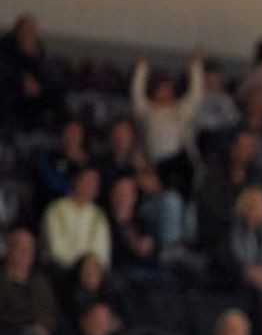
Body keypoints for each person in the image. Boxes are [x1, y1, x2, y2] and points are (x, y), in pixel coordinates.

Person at [129, 55, 205, 194]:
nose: (166, 93)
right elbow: (137, 95)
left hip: (178, 159)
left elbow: (196, 96)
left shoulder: (180, 109)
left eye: (169, 89)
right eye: (162, 89)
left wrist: (196, 67)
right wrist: (141, 69)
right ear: (154, 91)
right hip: (156, 160)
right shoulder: (148, 110)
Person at [41, 168, 111, 272]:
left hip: (89, 273)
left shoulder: (98, 215)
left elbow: (102, 251)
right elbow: (55, 248)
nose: (90, 186)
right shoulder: (56, 209)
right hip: (60, 270)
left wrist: (89, 267)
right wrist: (78, 268)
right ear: (76, 181)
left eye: (93, 183)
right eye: (86, 181)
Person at [0, 228, 58, 335]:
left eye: (30, 249)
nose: (27, 253)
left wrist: (44, 327)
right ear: (9, 250)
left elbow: (51, 314)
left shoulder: (41, 282)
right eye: (21, 249)